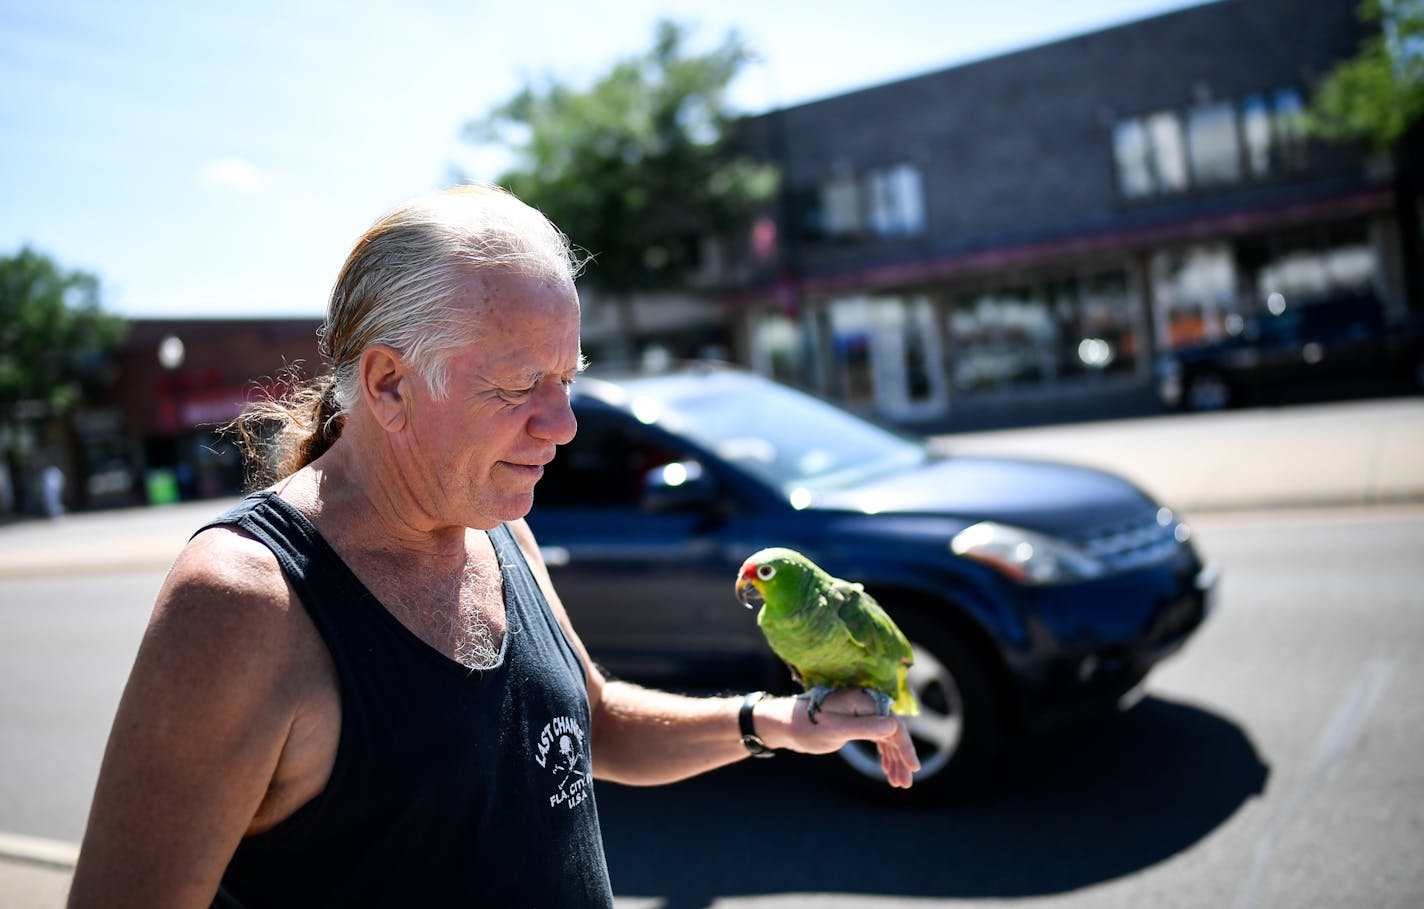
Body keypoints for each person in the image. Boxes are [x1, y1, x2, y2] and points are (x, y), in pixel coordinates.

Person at [67, 184, 918, 909]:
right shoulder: (244, 605)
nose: (565, 424)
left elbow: (595, 725)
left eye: (567, 379)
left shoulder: (498, 524)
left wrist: (777, 721)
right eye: (518, 386)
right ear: (389, 383)